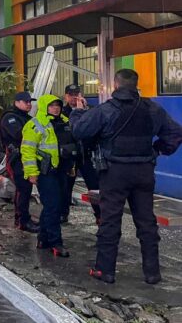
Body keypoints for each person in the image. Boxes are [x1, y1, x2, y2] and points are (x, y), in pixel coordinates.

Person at [71, 69, 182, 284]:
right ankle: (152, 273)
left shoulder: (106, 110)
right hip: (144, 170)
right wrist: (157, 150)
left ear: (115, 84)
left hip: (115, 172)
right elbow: (176, 133)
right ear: (136, 84)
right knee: (147, 221)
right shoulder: (153, 109)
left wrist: (77, 112)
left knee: (110, 220)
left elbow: (80, 131)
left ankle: (105, 271)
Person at [21, 94, 71, 258]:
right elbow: (27, 150)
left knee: (53, 206)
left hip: (62, 170)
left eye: (57, 105)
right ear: (44, 107)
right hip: (45, 172)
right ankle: (56, 243)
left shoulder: (65, 122)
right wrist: (31, 173)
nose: (55, 108)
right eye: (52, 105)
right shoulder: (35, 124)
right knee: (53, 207)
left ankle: (43, 239)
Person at [0, 92, 38, 233]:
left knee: (26, 189)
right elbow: (19, 135)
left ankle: (23, 218)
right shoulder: (10, 117)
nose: (29, 104)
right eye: (26, 102)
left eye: (30, 102)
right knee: (23, 189)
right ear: (17, 102)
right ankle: (22, 220)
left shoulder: (27, 118)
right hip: (16, 158)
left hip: (27, 158)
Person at [61, 84, 101, 225]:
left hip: (86, 154)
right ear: (66, 96)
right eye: (71, 95)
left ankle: (99, 215)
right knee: (66, 186)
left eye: (77, 94)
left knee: (94, 186)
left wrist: (83, 110)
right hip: (70, 156)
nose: (74, 98)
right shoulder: (62, 112)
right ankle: (63, 214)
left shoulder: (90, 110)